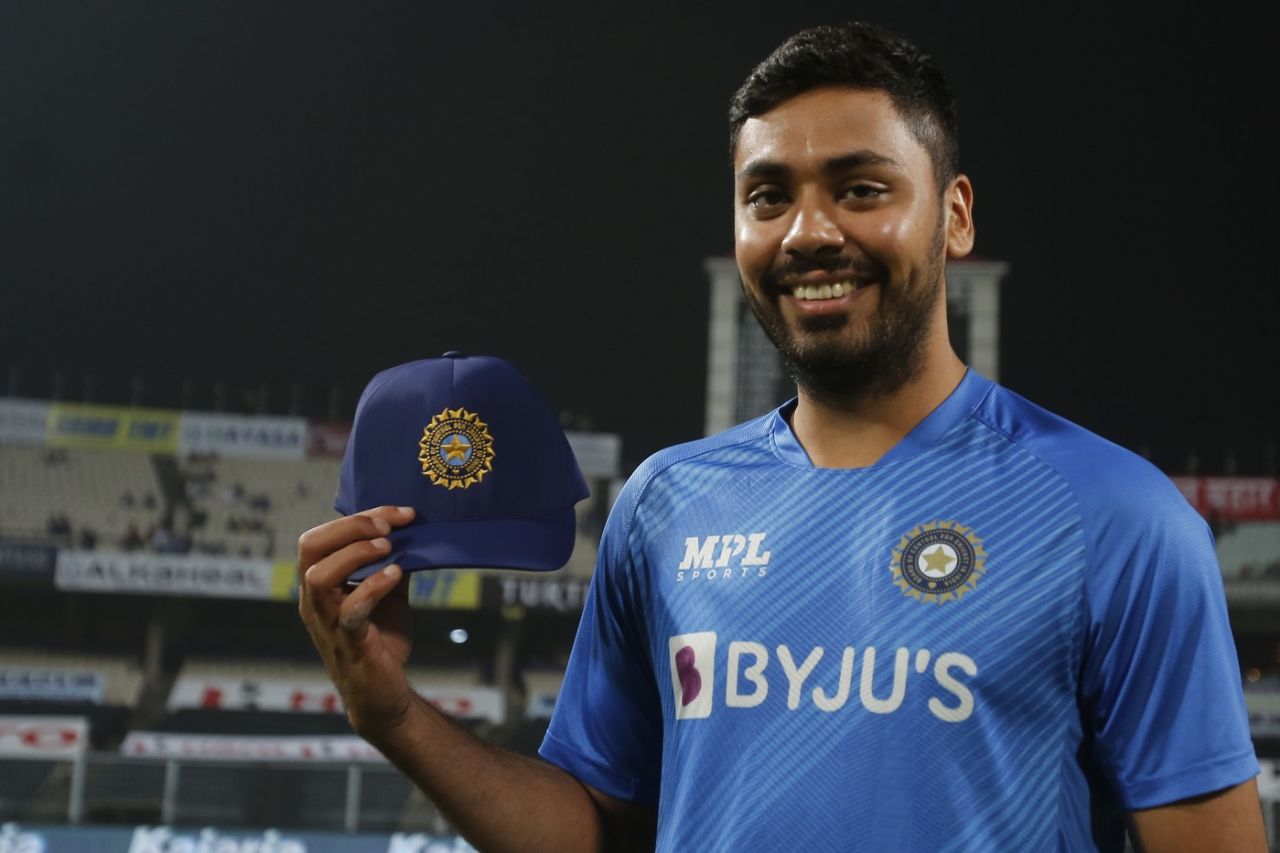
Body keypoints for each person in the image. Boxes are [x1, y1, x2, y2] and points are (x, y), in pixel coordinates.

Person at [297, 22, 1265, 852]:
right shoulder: (663, 504)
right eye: (768, 195)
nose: (807, 230)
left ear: (953, 217)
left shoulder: (1113, 514)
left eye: (859, 188)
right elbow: (596, 831)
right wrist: (394, 716)